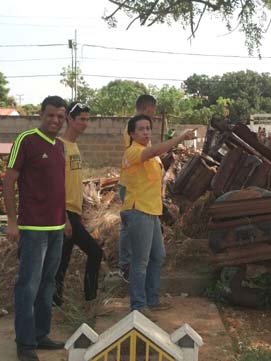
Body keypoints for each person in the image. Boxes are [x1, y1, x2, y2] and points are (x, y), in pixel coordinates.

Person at [4, 96, 71, 361]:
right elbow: (9, 181)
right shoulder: (27, 140)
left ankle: (41, 334)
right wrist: (12, 221)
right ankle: (25, 343)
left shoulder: (59, 147)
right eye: (50, 115)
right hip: (33, 227)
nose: (55, 120)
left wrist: (64, 218)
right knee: (28, 285)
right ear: (41, 115)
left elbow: (58, 186)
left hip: (56, 227)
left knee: (47, 283)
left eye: (60, 116)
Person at [120, 114, 195, 319]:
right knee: (141, 260)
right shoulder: (134, 151)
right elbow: (153, 150)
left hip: (151, 211)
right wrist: (180, 138)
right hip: (138, 210)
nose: (145, 132)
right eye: (141, 129)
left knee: (157, 256)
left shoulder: (150, 154)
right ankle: (138, 305)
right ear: (132, 133)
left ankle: (151, 300)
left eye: (148, 128)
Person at [54, 102, 103, 305]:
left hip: (73, 212)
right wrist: (64, 217)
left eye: (87, 119)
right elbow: (55, 185)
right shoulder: (59, 146)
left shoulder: (74, 146)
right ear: (70, 120)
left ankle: (56, 302)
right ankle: (89, 299)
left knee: (62, 261)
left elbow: (73, 182)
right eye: (81, 119)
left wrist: (78, 211)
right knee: (94, 252)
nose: (85, 123)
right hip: (62, 213)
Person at [116, 94, 157, 282]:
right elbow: (139, 154)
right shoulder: (133, 129)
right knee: (128, 225)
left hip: (139, 185)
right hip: (132, 184)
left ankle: (129, 262)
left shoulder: (139, 128)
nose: (153, 114)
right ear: (147, 108)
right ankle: (126, 264)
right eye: (152, 110)